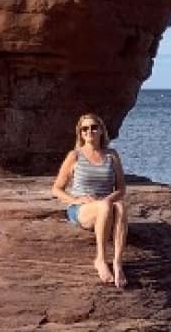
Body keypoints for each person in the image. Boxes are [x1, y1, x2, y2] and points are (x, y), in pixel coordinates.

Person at [51, 113, 128, 287]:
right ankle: (100, 259)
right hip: (82, 209)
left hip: (105, 205)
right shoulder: (75, 156)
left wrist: (108, 200)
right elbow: (56, 189)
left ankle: (117, 262)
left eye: (94, 127)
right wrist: (75, 199)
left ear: (101, 130)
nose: (89, 131)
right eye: (85, 128)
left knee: (120, 207)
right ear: (80, 132)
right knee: (104, 207)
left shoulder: (112, 155)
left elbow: (122, 189)